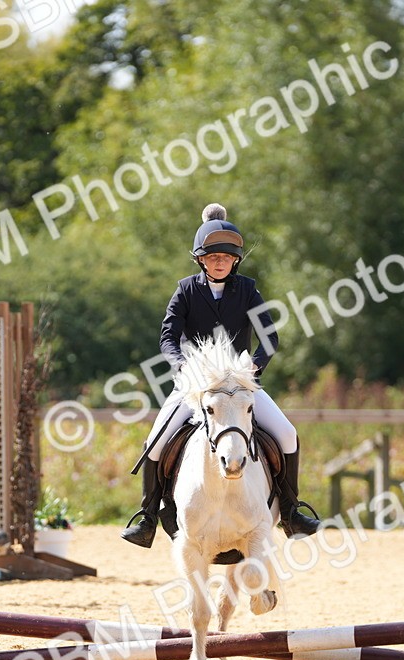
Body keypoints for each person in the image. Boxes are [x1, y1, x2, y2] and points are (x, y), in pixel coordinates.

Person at [121, 202, 321, 548]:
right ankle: (148, 516)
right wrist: (183, 366)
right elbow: (168, 336)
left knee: (287, 435)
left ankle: (290, 511)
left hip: (240, 385)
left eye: (226, 258)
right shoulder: (186, 290)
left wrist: (252, 368)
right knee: (154, 441)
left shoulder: (247, 289)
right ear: (201, 259)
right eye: (213, 257)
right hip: (196, 387)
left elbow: (269, 336)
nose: (220, 262)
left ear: (235, 261)